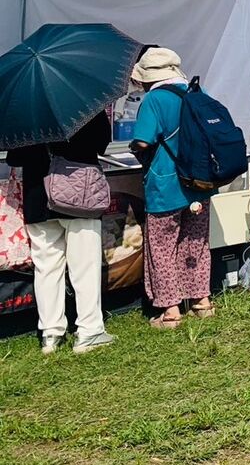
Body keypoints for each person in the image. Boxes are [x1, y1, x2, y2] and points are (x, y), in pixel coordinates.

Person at [6, 112, 114, 354]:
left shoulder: (25, 109)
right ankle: (89, 330)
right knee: (84, 267)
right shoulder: (84, 104)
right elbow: (102, 142)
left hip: (37, 196)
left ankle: (50, 334)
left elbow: (14, 157)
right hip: (80, 194)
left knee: (46, 267)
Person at [129, 48, 214, 329]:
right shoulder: (196, 92)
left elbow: (143, 140)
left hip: (165, 184)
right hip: (199, 183)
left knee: (162, 247)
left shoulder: (154, 99)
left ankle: (170, 311)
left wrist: (134, 146)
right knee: (196, 243)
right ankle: (201, 301)